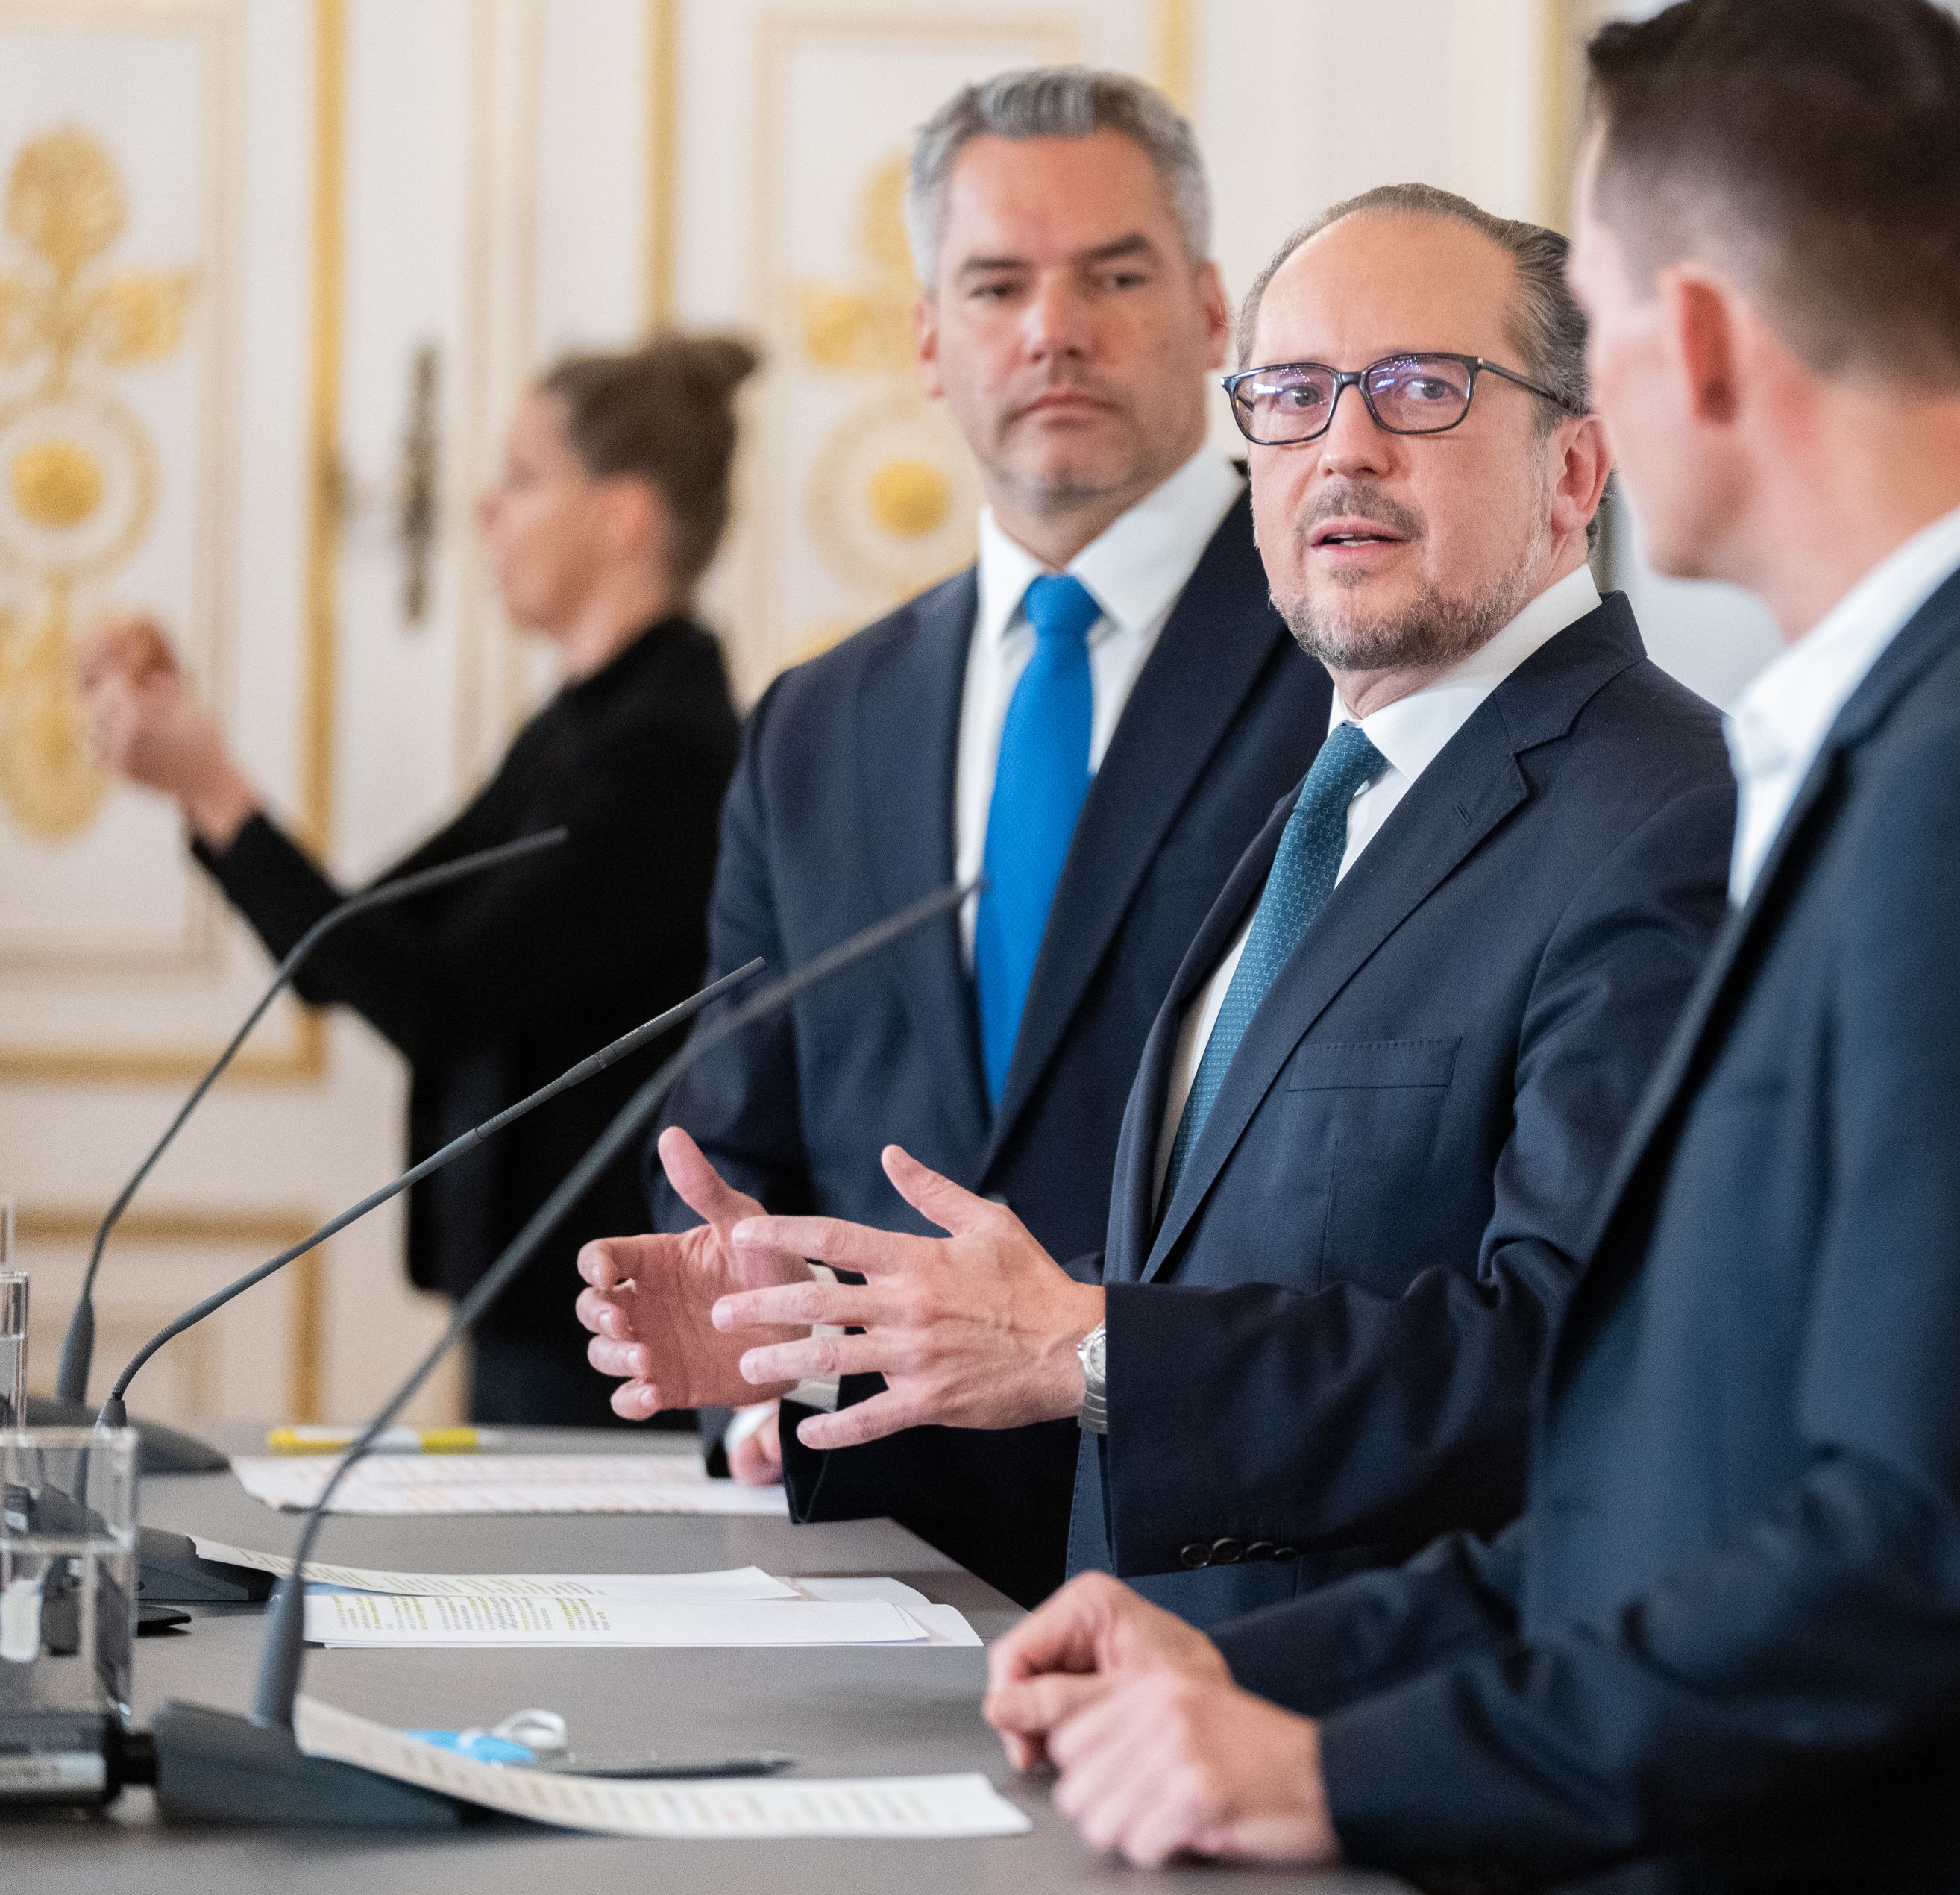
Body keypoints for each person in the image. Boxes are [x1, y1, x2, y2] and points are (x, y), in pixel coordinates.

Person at [976, 0, 1960, 1892]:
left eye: (1594, 321)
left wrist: (1342, 1775)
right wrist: (1262, 1668)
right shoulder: (1948, 726)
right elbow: (1689, 1476)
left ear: (1681, 342)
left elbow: (1914, 1548)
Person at [578, 184, 1735, 1624]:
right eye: (1292, 397)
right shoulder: (1337, 793)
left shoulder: (1669, 817)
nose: (1344, 448)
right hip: (1144, 1705)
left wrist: (1082, 1349)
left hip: (1383, 1723)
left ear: (1575, 467)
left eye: (1421, 389)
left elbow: (1581, 1360)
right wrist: (833, 1339)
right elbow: (1212, 1282)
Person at [574, 68, 1329, 1603]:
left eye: (1113, 276)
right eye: (996, 285)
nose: (1052, 329)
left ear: (1208, 311)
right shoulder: (817, 721)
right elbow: (733, 1132)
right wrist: (756, 1339)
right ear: (928, 337)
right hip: (872, 1557)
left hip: (1221, 1564)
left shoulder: (1341, 663)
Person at [80, 335, 751, 1426]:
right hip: (537, 1302)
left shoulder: (663, 750)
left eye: (521, 478)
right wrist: (201, 779)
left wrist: (214, 789)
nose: (484, 510)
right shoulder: (585, 726)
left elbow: (433, 1000)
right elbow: (351, 950)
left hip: (601, 1320)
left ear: (620, 517)